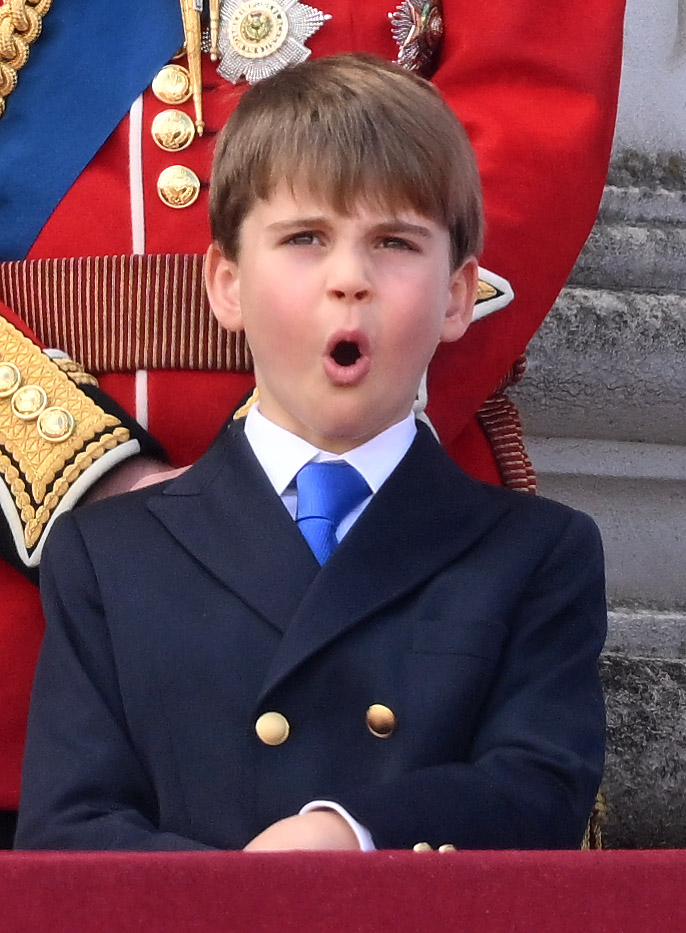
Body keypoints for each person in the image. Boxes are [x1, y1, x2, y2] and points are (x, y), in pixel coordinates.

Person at [0, 0, 624, 844]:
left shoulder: (535, 558)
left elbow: (532, 124)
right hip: (39, 572)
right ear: (232, 284)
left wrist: (334, 422)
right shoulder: (103, 561)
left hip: (417, 583)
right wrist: (79, 468)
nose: (348, 280)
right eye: (305, 240)